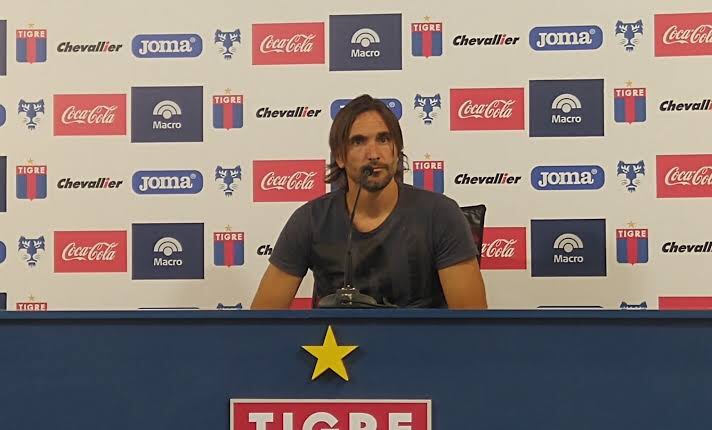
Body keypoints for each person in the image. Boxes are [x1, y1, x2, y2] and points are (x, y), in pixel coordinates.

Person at [251, 95, 487, 309]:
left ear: (397, 151)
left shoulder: (441, 215)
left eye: (383, 139)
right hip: (339, 344)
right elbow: (261, 323)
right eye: (358, 142)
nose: (373, 154)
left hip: (421, 343)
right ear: (340, 157)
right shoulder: (311, 220)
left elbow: (472, 326)